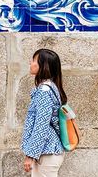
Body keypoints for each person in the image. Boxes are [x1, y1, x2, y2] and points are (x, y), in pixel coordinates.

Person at [21, 48, 68, 176]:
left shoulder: (44, 91)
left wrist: (30, 155)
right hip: (46, 152)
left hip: (47, 153)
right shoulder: (50, 87)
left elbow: (41, 125)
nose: (31, 63)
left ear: (43, 66)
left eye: (34, 60)